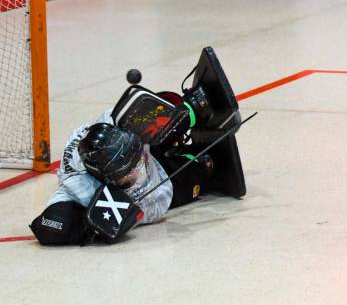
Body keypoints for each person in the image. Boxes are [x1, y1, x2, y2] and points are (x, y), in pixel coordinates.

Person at [29, 47, 247, 245]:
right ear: (105, 178)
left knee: (154, 118)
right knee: (193, 175)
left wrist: (173, 114)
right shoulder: (81, 190)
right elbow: (49, 226)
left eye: (135, 166)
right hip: (157, 181)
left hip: (141, 148)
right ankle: (206, 163)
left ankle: (195, 108)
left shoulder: (110, 123)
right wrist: (87, 226)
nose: (137, 172)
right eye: (129, 173)